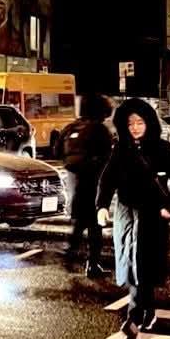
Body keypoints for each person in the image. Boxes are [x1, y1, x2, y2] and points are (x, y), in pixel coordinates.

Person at [96, 98, 170, 339]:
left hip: (152, 215)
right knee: (131, 263)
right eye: (130, 123)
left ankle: (134, 317)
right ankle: (146, 311)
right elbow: (107, 180)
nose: (135, 127)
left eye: (140, 122)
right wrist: (102, 206)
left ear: (149, 122)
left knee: (143, 264)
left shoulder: (162, 148)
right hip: (126, 214)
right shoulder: (120, 150)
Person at [60, 94, 114, 278]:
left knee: (79, 222)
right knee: (95, 225)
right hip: (94, 183)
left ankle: (70, 253)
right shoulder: (100, 130)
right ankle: (93, 264)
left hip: (75, 182)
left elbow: (57, 150)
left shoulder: (72, 127)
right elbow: (109, 158)